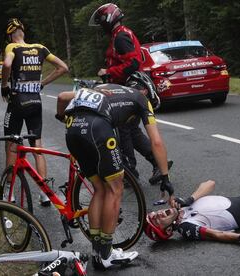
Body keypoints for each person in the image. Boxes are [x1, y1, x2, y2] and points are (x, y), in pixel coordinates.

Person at [55, 71, 173, 269]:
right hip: (98, 129)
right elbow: (156, 142)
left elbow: (62, 97)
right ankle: (106, 254)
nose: (133, 121)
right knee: (115, 188)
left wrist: (61, 116)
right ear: (146, 91)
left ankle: (97, 252)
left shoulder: (104, 88)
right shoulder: (142, 99)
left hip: (72, 129)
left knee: (100, 189)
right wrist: (165, 175)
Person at [89, 3, 166, 184]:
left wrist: (108, 72)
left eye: (102, 23)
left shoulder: (121, 37)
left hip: (128, 91)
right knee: (131, 130)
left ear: (109, 19)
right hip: (129, 90)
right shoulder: (120, 34)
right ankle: (155, 163)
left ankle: (129, 172)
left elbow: (133, 64)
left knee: (123, 130)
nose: (101, 27)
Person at [1, 18, 69, 206]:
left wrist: (4, 85)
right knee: (37, 146)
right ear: (23, 31)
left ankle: (9, 193)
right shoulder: (39, 48)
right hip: (35, 101)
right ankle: (44, 192)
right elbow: (63, 67)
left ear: (10, 36)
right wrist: (42, 83)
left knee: (11, 145)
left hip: (17, 102)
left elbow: (7, 65)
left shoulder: (12, 48)